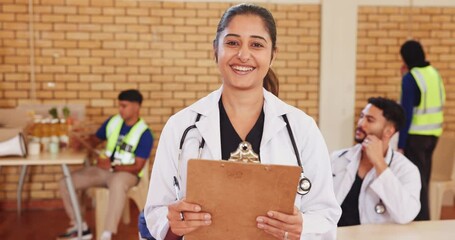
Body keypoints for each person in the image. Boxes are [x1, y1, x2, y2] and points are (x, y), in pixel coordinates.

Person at [144, 3, 341, 240]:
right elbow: (155, 214)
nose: (243, 55)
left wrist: (303, 226)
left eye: (256, 44)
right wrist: (173, 223)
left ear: (273, 55)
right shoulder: (181, 127)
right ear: (215, 49)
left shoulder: (302, 129)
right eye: (232, 42)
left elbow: (326, 216)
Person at [58, 89, 154, 240]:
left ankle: (106, 233)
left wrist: (112, 166)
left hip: (128, 174)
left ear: (136, 107)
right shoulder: (113, 121)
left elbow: (138, 167)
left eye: (124, 106)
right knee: (67, 182)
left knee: (117, 183)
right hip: (103, 171)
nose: (120, 109)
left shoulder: (145, 133)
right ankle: (80, 226)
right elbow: (96, 139)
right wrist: (83, 141)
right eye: (119, 106)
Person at [331, 97, 421, 227]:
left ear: (388, 131)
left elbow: (406, 215)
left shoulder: (406, 169)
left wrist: (379, 163)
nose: (361, 123)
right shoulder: (337, 158)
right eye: (362, 116)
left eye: (370, 120)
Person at [398, 40, 446, 220]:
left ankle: (420, 218)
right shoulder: (434, 73)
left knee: (416, 182)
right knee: (424, 177)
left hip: (415, 136)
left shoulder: (411, 78)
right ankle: (423, 218)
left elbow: (406, 113)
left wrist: (401, 144)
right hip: (433, 135)